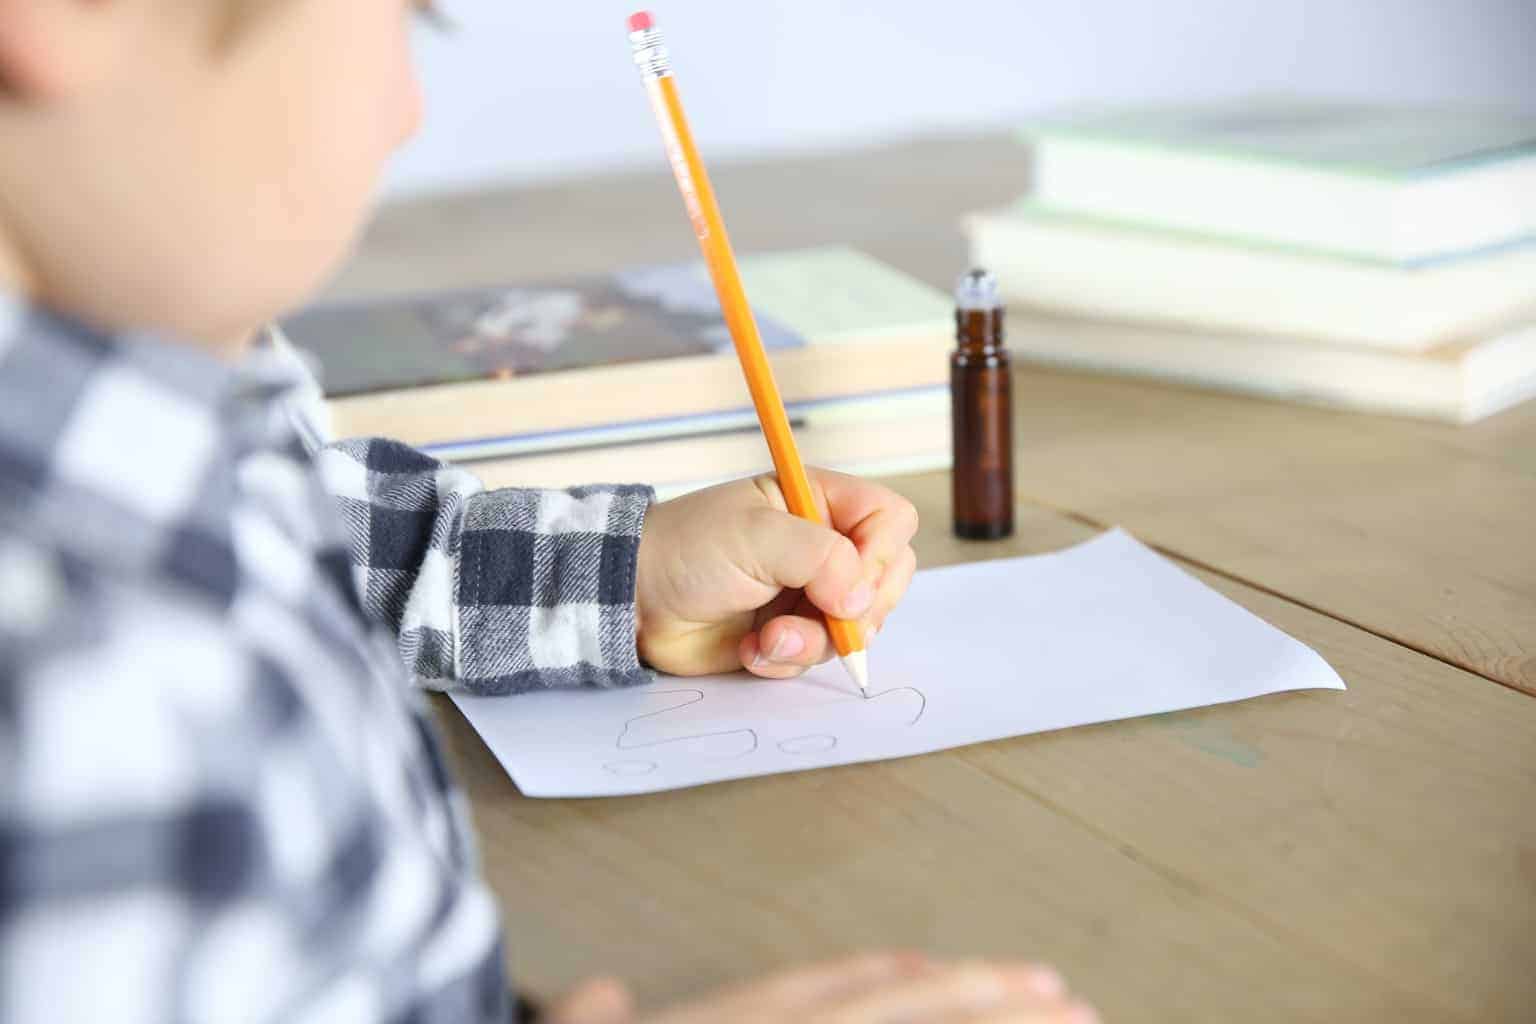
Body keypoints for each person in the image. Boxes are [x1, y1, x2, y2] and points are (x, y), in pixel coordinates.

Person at [0, 1, 1097, 1021]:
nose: (406, 111)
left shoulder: (153, 395)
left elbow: (310, 518)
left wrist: (613, 577)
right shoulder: (72, 699)